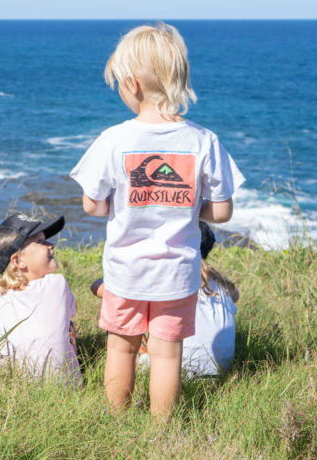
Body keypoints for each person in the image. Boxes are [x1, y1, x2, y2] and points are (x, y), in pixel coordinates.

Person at [69, 22, 244, 419]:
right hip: (178, 273)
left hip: (125, 271)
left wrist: (128, 201)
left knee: (121, 347)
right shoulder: (204, 140)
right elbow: (222, 211)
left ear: (131, 83)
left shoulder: (113, 139)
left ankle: (117, 422)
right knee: (166, 355)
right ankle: (161, 431)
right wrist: (184, 205)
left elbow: (93, 206)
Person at [94, 222, 240, 378]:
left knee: (130, 313)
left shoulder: (164, 274)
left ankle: (126, 369)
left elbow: (99, 288)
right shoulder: (219, 283)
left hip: (172, 366)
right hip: (220, 367)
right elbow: (235, 295)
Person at [0, 213, 80, 385]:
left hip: (11, 388)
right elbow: (72, 311)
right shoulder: (57, 284)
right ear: (18, 261)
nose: (51, 244)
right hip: (66, 388)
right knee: (69, 325)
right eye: (41, 242)